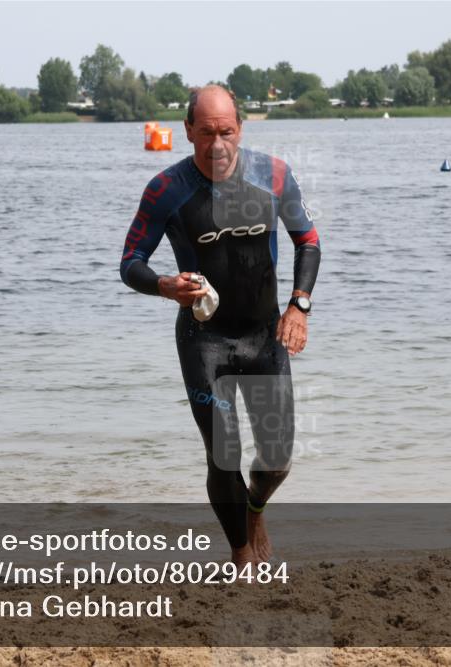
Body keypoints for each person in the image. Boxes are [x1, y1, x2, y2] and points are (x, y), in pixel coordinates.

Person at [119, 85, 321, 566]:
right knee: (223, 453)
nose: (217, 145)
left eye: (226, 132)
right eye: (206, 133)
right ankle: (241, 554)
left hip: (263, 335)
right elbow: (131, 263)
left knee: (276, 461)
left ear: (240, 128)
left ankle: (255, 508)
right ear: (187, 131)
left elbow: (308, 242)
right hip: (203, 340)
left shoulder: (273, 175)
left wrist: (299, 306)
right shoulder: (166, 189)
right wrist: (166, 285)